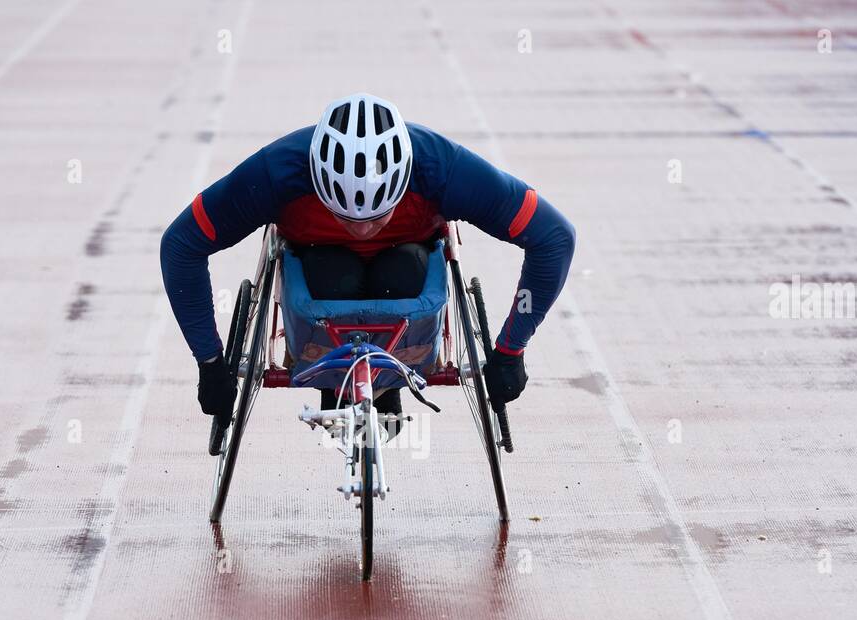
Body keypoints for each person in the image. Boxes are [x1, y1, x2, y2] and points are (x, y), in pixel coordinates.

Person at [161, 92, 576, 428]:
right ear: (317, 184)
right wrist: (210, 360)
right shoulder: (277, 172)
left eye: (378, 215)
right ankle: (332, 372)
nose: (361, 229)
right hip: (320, 271)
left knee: (405, 270)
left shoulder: (443, 169)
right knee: (333, 275)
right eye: (343, 215)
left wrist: (510, 348)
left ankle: (393, 372)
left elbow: (554, 237)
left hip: (405, 269)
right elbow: (181, 245)